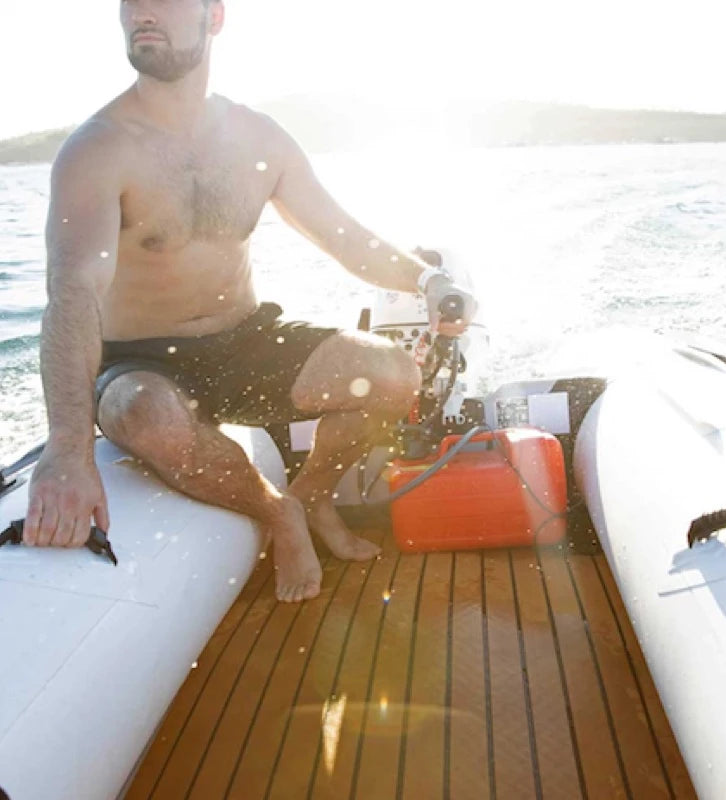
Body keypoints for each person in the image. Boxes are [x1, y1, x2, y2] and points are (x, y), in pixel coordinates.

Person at [22, 0, 477, 603]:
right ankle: (278, 510)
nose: (141, 13)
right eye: (130, 1)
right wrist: (66, 450)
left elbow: (342, 237)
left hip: (245, 341)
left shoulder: (256, 137)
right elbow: (73, 292)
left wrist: (428, 283)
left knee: (394, 373)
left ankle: (312, 497)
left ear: (214, 18)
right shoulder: (98, 150)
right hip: (143, 360)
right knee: (143, 413)